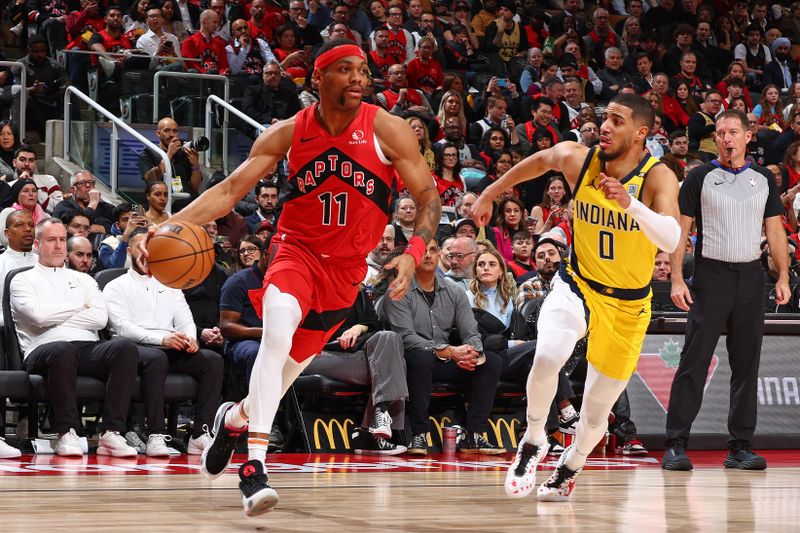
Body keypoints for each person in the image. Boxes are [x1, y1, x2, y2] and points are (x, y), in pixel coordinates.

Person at [141, 39, 441, 516]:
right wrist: (166, 227)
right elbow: (231, 188)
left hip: (345, 274)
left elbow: (428, 196)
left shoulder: (387, 129)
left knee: (277, 382)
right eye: (345, 69)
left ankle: (233, 418)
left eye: (363, 68)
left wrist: (414, 252)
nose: (359, 77)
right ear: (317, 79)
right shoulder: (287, 132)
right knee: (276, 335)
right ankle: (254, 468)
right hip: (295, 252)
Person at [470, 93, 680, 501]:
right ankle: (533, 439)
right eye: (605, 118)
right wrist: (490, 192)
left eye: (617, 121)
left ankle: (573, 464)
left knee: (597, 411)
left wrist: (630, 203)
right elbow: (541, 160)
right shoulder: (579, 159)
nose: (604, 126)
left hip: (628, 304)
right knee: (547, 353)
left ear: (641, 133)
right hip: (578, 283)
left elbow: (671, 237)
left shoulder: (657, 177)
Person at [663, 109, 789, 472]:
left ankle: (740, 446)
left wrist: (781, 276)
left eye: (734, 132)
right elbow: (680, 230)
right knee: (694, 362)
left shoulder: (764, 178)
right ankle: (675, 443)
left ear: (749, 136)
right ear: (715, 138)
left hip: (751, 277)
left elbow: (775, 230)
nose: (727, 138)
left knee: (746, 365)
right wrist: (675, 279)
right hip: (710, 277)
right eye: (720, 133)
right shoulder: (699, 176)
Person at [10, 218, 140, 458]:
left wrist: (56, 314)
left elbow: (100, 319)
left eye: (62, 239)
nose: (59, 246)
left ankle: (112, 433)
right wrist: (79, 306)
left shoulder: (85, 280)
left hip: (86, 347)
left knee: (124, 348)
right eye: (51, 240)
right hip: (42, 348)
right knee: (62, 349)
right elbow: (37, 317)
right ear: (37, 244)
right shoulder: (22, 279)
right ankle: (67, 432)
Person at [103, 228, 223, 457]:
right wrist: (162, 338)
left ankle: (199, 435)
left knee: (212, 360)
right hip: (133, 350)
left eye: (153, 248)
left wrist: (190, 339)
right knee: (156, 358)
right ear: (129, 251)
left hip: (170, 346)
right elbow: (122, 328)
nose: (148, 253)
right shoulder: (116, 285)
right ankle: (156, 435)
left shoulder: (170, 283)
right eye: (142, 248)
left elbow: (185, 318)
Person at [383, 239, 503, 455]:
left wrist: (472, 354)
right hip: (411, 362)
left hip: (450, 360)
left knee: (492, 361)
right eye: (422, 251)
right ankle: (419, 434)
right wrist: (446, 350)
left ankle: (474, 435)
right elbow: (405, 337)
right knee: (421, 357)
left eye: (432, 250)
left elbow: (471, 331)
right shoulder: (398, 290)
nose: (428, 256)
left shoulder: (454, 291)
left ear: (439, 254)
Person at [303, 285, 408, 455]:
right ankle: (372, 437)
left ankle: (381, 414)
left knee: (389, 337)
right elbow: (313, 330)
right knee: (396, 365)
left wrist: (359, 327)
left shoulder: (358, 291)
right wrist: (347, 333)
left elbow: (375, 324)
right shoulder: (315, 288)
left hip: (353, 354)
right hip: (316, 355)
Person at [138, 117, 202, 203]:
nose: (171, 134)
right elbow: (151, 179)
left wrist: (195, 165)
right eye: (167, 130)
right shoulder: (148, 154)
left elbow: (195, 188)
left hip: (188, 203)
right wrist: (169, 154)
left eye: (175, 131)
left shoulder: (184, 153)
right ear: (158, 133)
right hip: (164, 205)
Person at [0, 210, 37, 327]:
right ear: (7, 233)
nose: (27, 229)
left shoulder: (45, 262)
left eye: (31, 225)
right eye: (20, 225)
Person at [52, 170, 115, 234]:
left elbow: (122, 221)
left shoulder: (104, 206)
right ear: (72, 189)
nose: (88, 185)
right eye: (82, 183)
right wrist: (93, 203)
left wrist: (106, 228)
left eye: (91, 182)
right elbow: (79, 227)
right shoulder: (63, 206)